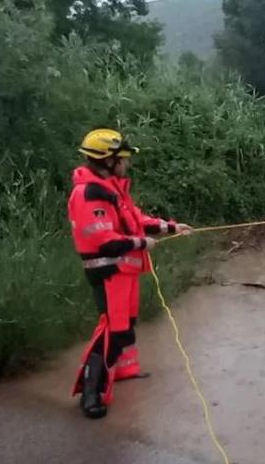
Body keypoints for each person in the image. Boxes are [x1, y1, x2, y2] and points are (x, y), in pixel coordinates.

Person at [68, 128, 192, 419]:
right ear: (108, 160)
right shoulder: (89, 193)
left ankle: (122, 373)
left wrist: (171, 227)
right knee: (112, 330)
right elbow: (105, 240)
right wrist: (141, 243)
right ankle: (91, 393)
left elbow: (135, 219)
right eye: (123, 158)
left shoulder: (112, 188)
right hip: (109, 271)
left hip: (124, 271)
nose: (127, 163)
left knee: (124, 327)